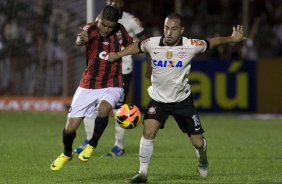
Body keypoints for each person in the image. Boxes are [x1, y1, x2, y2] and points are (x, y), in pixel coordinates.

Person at [108, 13, 245, 183]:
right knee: (148, 131)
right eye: (166, 28)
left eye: (174, 29)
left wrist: (232, 38)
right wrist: (118, 55)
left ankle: (202, 160)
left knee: (198, 142)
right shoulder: (152, 43)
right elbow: (137, 46)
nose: (169, 32)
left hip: (182, 101)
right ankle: (142, 174)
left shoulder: (191, 45)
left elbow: (212, 42)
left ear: (181, 30)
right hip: (158, 100)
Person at [50, 5, 133, 171]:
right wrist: (81, 39)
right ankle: (66, 153)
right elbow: (81, 38)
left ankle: (92, 144)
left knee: (103, 110)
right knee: (70, 128)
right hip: (88, 84)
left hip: (113, 83)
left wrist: (118, 54)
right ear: (99, 19)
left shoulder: (120, 30)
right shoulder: (91, 28)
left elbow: (134, 45)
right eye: (104, 25)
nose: (106, 29)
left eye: (110, 26)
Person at [74, 0, 145, 157]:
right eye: (110, 0)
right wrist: (82, 41)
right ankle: (89, 140)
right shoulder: (99, 21)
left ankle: (119, 146)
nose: (112, 2)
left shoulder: (131, 21)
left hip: (121, 72)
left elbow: (142, 44)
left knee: (118, 110)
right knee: (90, 107)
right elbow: (84, 43)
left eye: (116, 0)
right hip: (97, 73)